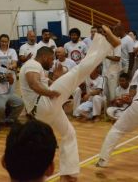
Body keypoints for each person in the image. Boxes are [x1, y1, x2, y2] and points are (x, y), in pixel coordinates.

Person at [19, 25, 120, 181]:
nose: (52, 62)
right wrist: (50, 92)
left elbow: (40, 85)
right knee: (78, 72)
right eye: (52, 59)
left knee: (69, 133)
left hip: (43, 110)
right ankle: (105, 43)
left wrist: (56, 80)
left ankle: (68, 174)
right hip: (43, 103)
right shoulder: (33, 64)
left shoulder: (37, 67)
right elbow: (34, 84)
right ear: (45, 57)